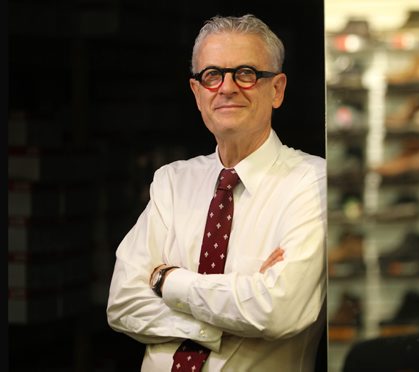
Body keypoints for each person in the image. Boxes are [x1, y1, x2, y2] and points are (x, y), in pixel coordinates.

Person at [107, 14, 326, 371]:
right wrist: (231, 312)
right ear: (197, 93)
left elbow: (277, 311)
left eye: (245, 73)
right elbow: (122, 304)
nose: (226, 88)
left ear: (277, 90)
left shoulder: (312, 182)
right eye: (212, 75)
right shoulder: (172, 182)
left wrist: (168, 280)